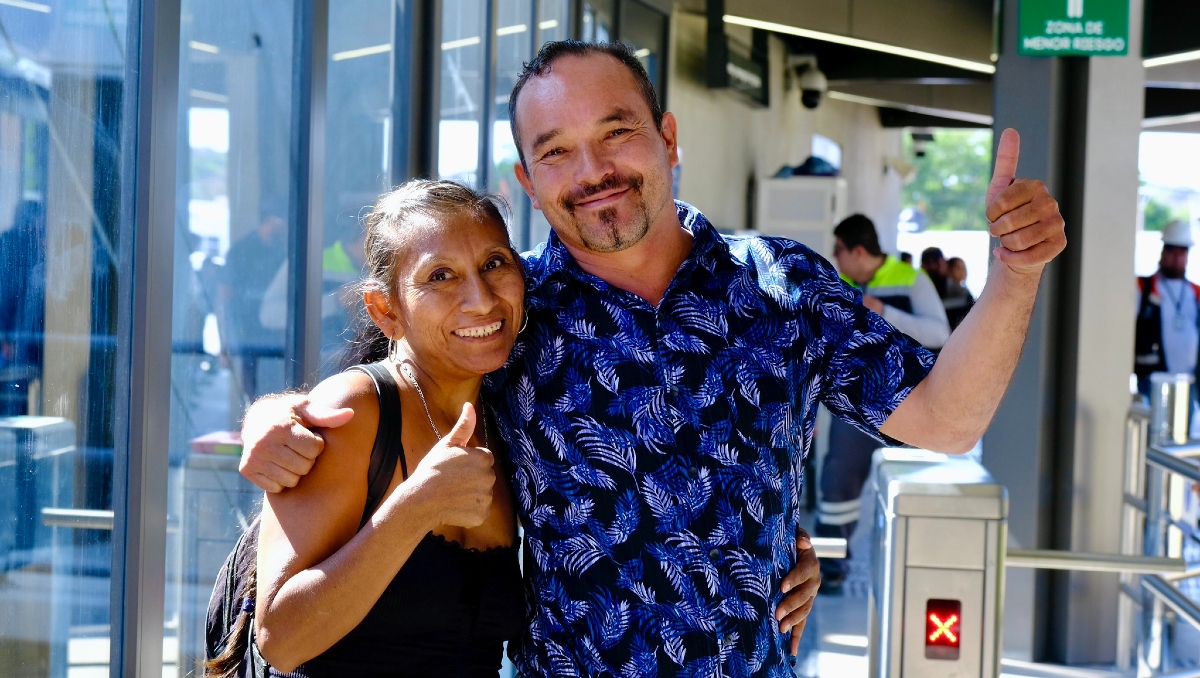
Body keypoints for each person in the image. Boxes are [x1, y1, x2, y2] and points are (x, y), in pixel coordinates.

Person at [236, 40, 1066, 676]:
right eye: (557, 150)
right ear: (529, 181)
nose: (593, 170)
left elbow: (948, 420)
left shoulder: (784, 285)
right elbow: (399, 376)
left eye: (616, 131)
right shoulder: (512, 314)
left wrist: (1015, 276)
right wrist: (270, 417)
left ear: (667, 138)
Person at [210, 180, 527, 677]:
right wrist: (413, 509)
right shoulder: (356, 412)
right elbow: (280, 639)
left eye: (493, 264)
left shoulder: (513, 409)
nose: (481, 299)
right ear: (386, 310)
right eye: (440, 276)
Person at [818, 215, 949, 590]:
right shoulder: (835, 282)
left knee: (910, 489)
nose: (834, 256)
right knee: (838, 481)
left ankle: (919, 568)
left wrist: (883, 311)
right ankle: (831, 570)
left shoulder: (911, 279)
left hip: (908, 403)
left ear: (859, 251)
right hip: (852, 403)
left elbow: (939, 332)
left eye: (839, 249)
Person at [1135, 220, 1200, 396]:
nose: (1177, 257)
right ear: (1163, 250)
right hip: (1152, 380)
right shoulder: (1144, 287)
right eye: (1172, 250)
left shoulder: (1195, 293)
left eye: (1183, 251)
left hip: (1188, 382)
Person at [921, 246, 975, 331]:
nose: (932, 266)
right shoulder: (918, 291)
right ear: (922, 266)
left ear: (944, 263)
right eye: (927, 262)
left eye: (936, 261)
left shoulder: (961, 293)